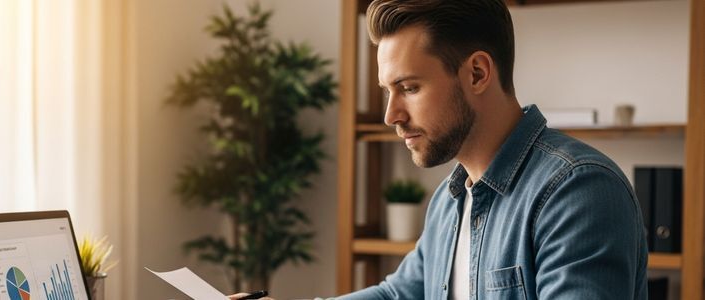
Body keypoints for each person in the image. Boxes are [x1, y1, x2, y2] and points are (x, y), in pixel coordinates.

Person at [231, 0, 648, 299]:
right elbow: (402, 293)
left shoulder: (577, 191)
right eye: (386, 92)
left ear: (478, 73)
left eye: (409, 88)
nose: (391, 114)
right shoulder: (451, 199)